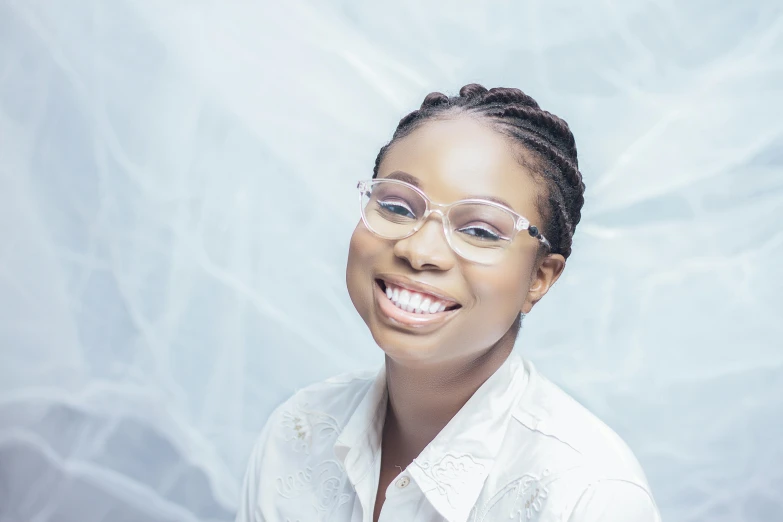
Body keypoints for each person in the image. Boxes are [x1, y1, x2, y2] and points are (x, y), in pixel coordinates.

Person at [236, 84, 661, 522]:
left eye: (480, 231)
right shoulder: (298, 430)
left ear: (539, 277)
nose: (419, 251)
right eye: (398, 206)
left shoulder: (588, 496)